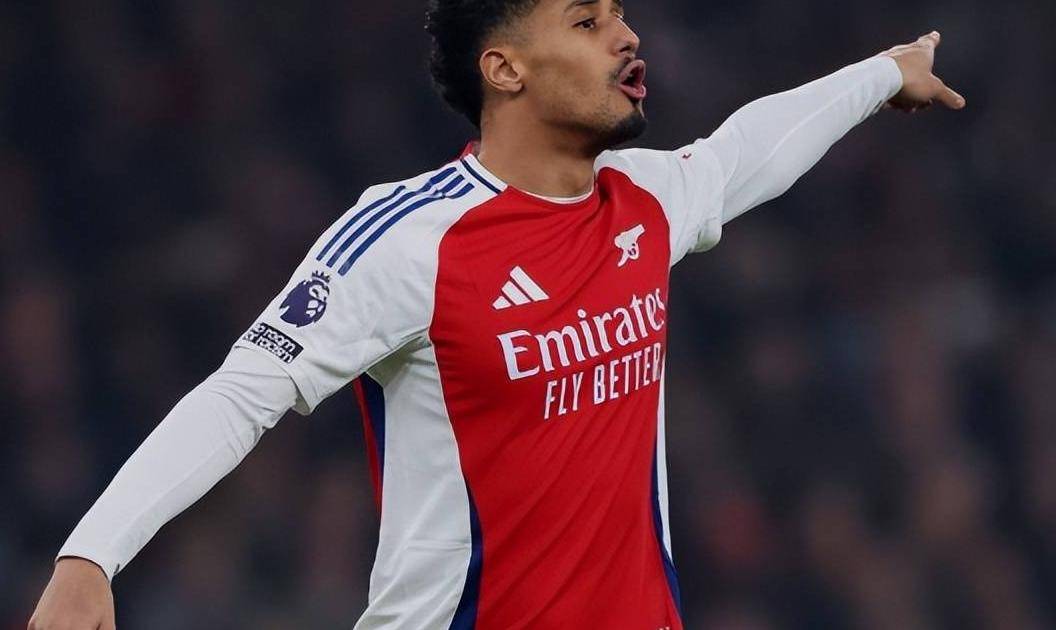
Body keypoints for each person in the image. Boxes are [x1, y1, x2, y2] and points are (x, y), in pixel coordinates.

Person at [28, 0, 965, 627]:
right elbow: (243, 394)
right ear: (505, 68)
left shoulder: (644, 200)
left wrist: (885, 73)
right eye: (588, 20)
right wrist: (91, 557)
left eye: (620, 13)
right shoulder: (409, 238)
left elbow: (744, 149)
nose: (626, 35)